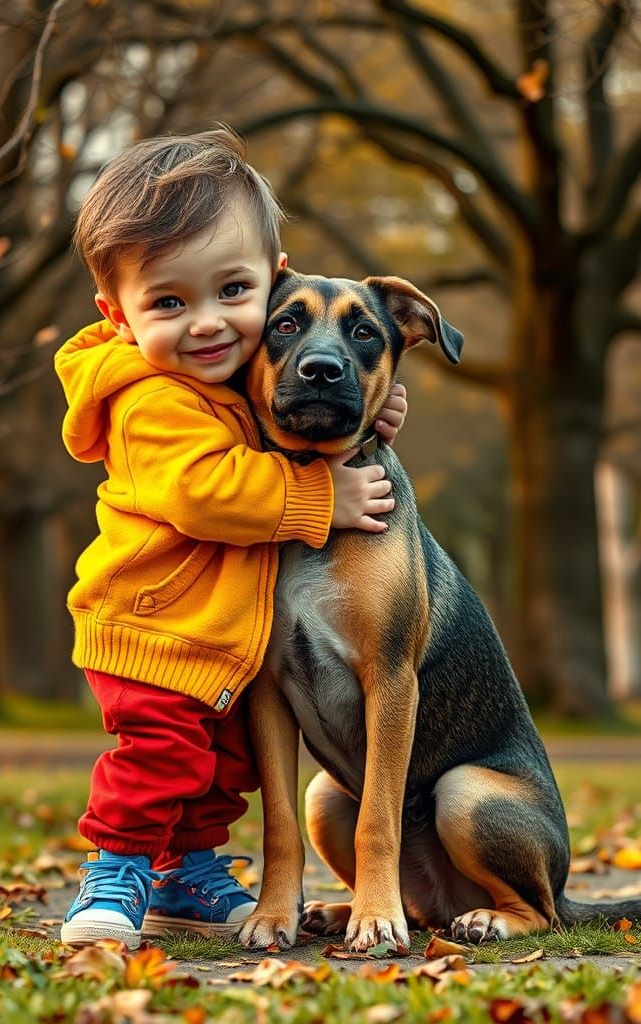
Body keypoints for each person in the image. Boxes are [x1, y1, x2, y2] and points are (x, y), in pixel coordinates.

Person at [54, 127, 408, 948]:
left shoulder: (231, 380)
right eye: (170, 304)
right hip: (152, 629)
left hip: (219, 638)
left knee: (221, 771)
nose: (209, 325)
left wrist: (377, 407)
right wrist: (323, 494)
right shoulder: (151, 399)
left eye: (232, 292)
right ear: (119, 315)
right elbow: (208, 491)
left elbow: (299, 407)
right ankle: (114, 870)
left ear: (273, 284)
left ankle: (188, 869)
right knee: (159, 760)